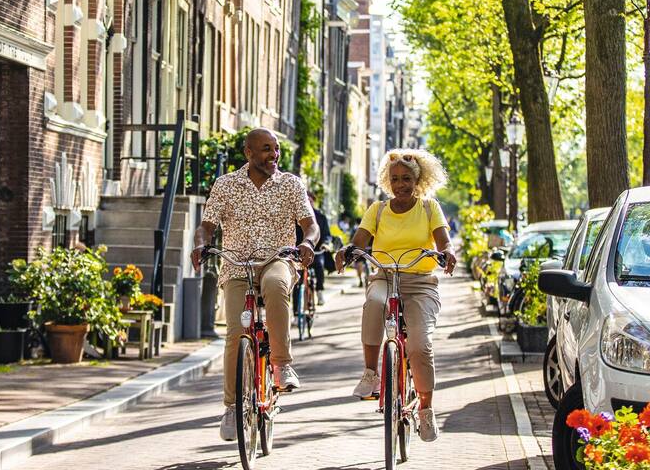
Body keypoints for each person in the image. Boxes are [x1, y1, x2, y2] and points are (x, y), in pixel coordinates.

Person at [191, 128, 319, 442]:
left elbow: (310, 224)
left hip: (277, 259)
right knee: (236, 332)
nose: (274, 155)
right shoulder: (226, 185)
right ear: (248, 152)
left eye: (276, 150)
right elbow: (207, 225)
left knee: (276, 286)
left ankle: (281, 365)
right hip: (236, 265)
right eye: (266, 149)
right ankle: (232, 407)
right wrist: (200, 244)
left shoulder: (290, 184)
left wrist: (309, 243)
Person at [336, 148, 457, 442]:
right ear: (387, 181)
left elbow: (443, 241)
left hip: (420, 283)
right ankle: (370, 374)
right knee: (373, 302)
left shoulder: (429, 208)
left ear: (417, 181)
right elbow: (360, 241)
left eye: (406, 179)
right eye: (394, 179)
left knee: (419, 344)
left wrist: (448, 253)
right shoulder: (377, 210)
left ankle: (426, 410)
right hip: (385, 277)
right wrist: (347, 251)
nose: (400, 184)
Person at [297, 190, 332, 305]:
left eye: (310, 201)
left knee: (319, 266)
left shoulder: (321, 217)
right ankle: (297, 314)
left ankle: (320, 291)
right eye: (306, 201)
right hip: (298, 252)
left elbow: (327, 234)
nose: (308, 203)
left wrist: (325, 244)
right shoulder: (296, 217)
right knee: (297, 279)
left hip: (317, 251)